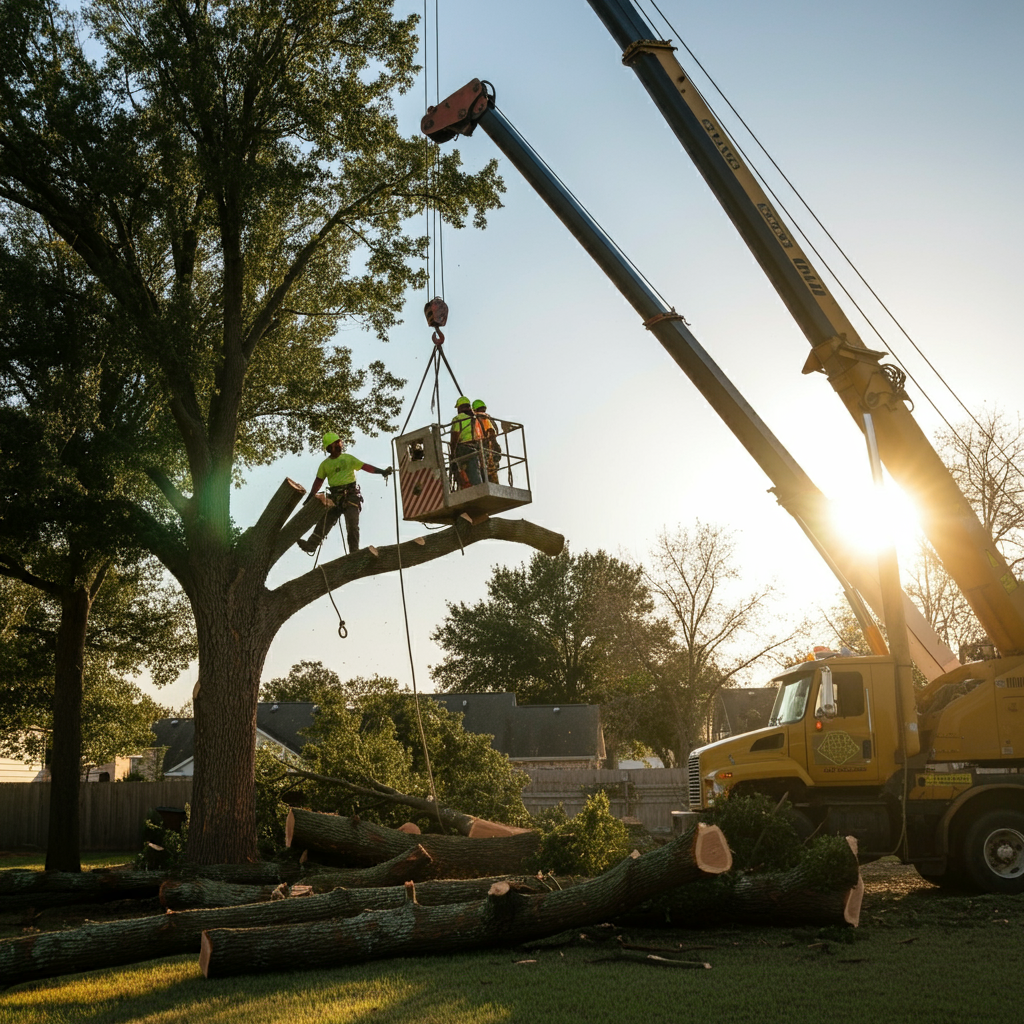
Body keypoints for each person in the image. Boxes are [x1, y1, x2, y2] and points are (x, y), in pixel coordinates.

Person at [297, 432, 392, 554]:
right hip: (335, 497)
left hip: (351, 496)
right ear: (330, 447)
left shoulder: (348, 458)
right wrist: (311, 496)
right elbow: (318, 481)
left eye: (339, 443)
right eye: (336, 444)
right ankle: (311, 545)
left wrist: (381, 472)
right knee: (325, 521)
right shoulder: (325, 465)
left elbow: (365, 466)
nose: (339, 445)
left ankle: (354, 552)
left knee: (352, 525)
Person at [450, 397, 484, 487]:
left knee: (458, 469)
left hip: (462, 448)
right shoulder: (474, 419)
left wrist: (452, 454)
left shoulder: (458, 419)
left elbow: (455, 437)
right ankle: (478, 487)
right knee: (474, 473)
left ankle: (463, 485)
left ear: (460, 408)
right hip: (474, 448)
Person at [472, 399, 501, 484]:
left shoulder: (480, 419)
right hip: (493, 449)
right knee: (493, 476)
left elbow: (490, 432)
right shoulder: (489, 418)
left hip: (485, 449)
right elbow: (495, 432)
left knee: (484, 473)